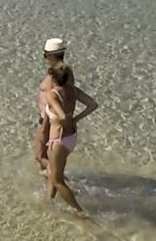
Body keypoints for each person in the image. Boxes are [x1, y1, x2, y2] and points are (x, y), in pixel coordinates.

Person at [42, 54, 99, 216]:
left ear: (53, 78)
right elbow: (93, 104)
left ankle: (80, 212)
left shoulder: (52, 94)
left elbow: (60, 115)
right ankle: (48, 202)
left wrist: (64, 123)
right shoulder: (73, 90)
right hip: (71, 139)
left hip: (58, 140)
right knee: (54, 172)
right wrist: (76, 119)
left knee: (57, 180)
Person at [34, 38, 73, 174]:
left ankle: (58, 182)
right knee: (47, 159)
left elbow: (55, 100)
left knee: (40, 156)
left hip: (48, 121)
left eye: (45, 55)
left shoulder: (56, 76)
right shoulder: (64, 73)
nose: (45, 59)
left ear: (51, 55)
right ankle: (52, 185)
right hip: (53, 121)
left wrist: (45, 126)